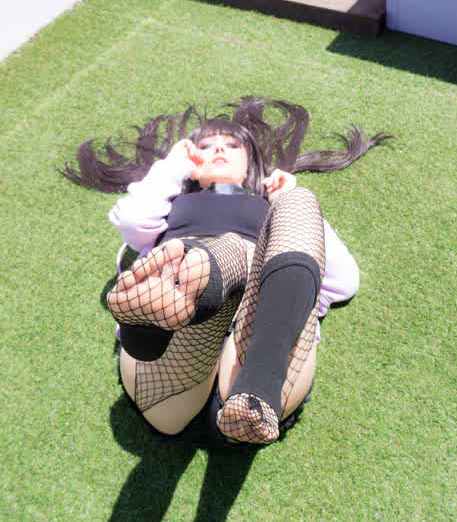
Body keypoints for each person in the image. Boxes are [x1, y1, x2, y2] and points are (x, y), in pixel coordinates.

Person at [62, 96, 390, 445]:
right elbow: (132, 220)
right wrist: (173, 167)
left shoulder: (270, 208)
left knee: (299, 201)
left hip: (256, 356)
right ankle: (167, 315)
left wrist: (284, 198)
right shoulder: (171, 208)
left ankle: (258, 379)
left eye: (232, 145)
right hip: (176, 369)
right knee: (219, 253)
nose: (219, 149)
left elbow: (342, 281)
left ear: (250, 163)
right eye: (204, 146)